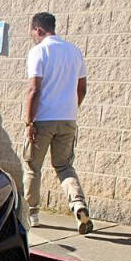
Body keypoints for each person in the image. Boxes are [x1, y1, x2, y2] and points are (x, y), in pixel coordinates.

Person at [23, 12, 92, 234]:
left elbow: (34, 89)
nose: (32, 36)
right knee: (64, 166)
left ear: (39, 30)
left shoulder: (39, 51)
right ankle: (79, 206)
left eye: (32, 32)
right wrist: (70, 108)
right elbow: (82, 89)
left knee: (33, 166)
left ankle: (30, 213)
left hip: (43, 119)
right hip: (68, 118)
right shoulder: (74, 51)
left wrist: (29, 122)